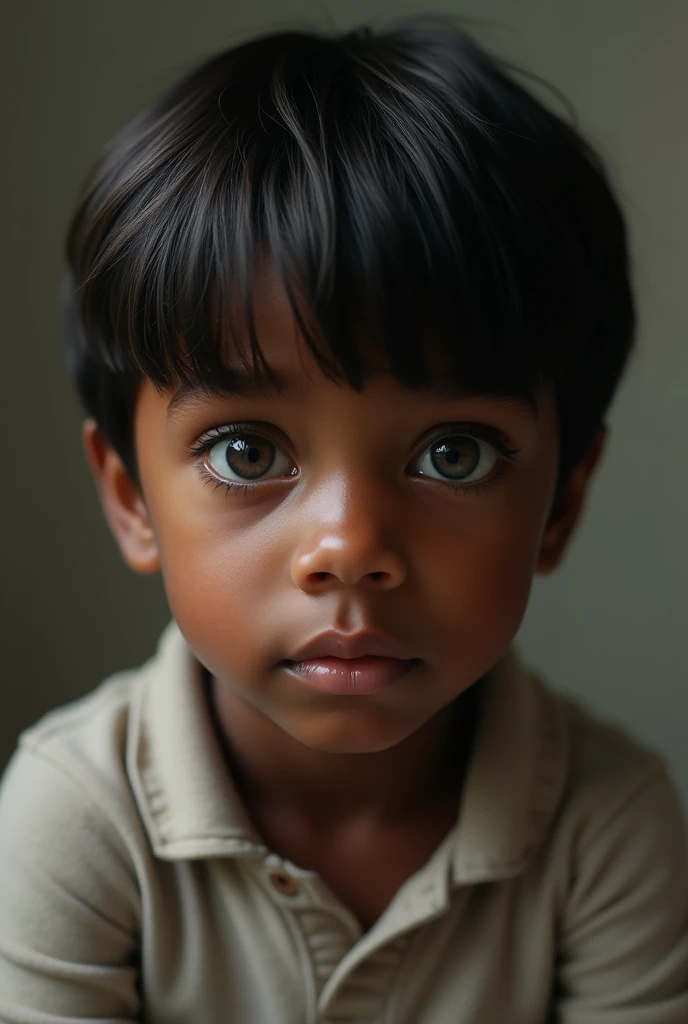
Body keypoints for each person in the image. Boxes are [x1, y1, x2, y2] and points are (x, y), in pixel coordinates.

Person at [1, 14, 686, 1023]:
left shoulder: (607, 825)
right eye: (248, 452)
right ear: (131, 498)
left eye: (452, 453)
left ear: (561, 502)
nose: (350, 548)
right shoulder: (75, 821)